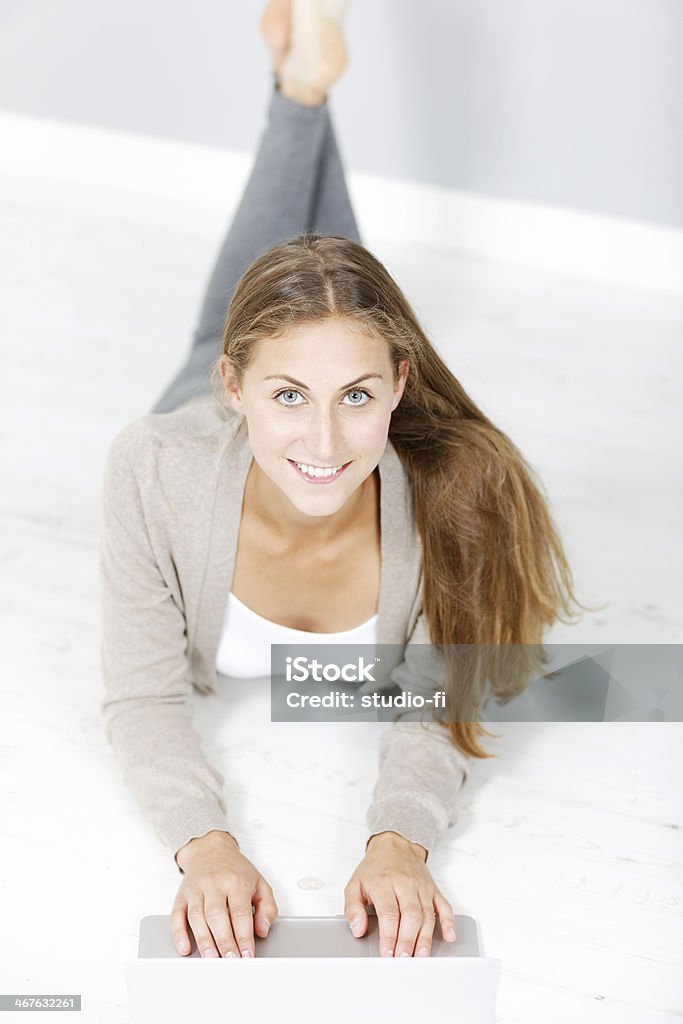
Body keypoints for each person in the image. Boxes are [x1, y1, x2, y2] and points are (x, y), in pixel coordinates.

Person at [99, 0, 580, 962]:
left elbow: (436, 703)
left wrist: (399, 842)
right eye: (285, 396)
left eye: (359, 395)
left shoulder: (458, 489)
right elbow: (142, 699)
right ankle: (302, 88)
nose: (323, 441)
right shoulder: (154, 464)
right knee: (292, 291)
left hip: (288, 372)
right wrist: (205, 848)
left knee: (323, 281)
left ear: (404, 384)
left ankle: (301, 87)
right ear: (235, 392)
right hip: (207, 414)